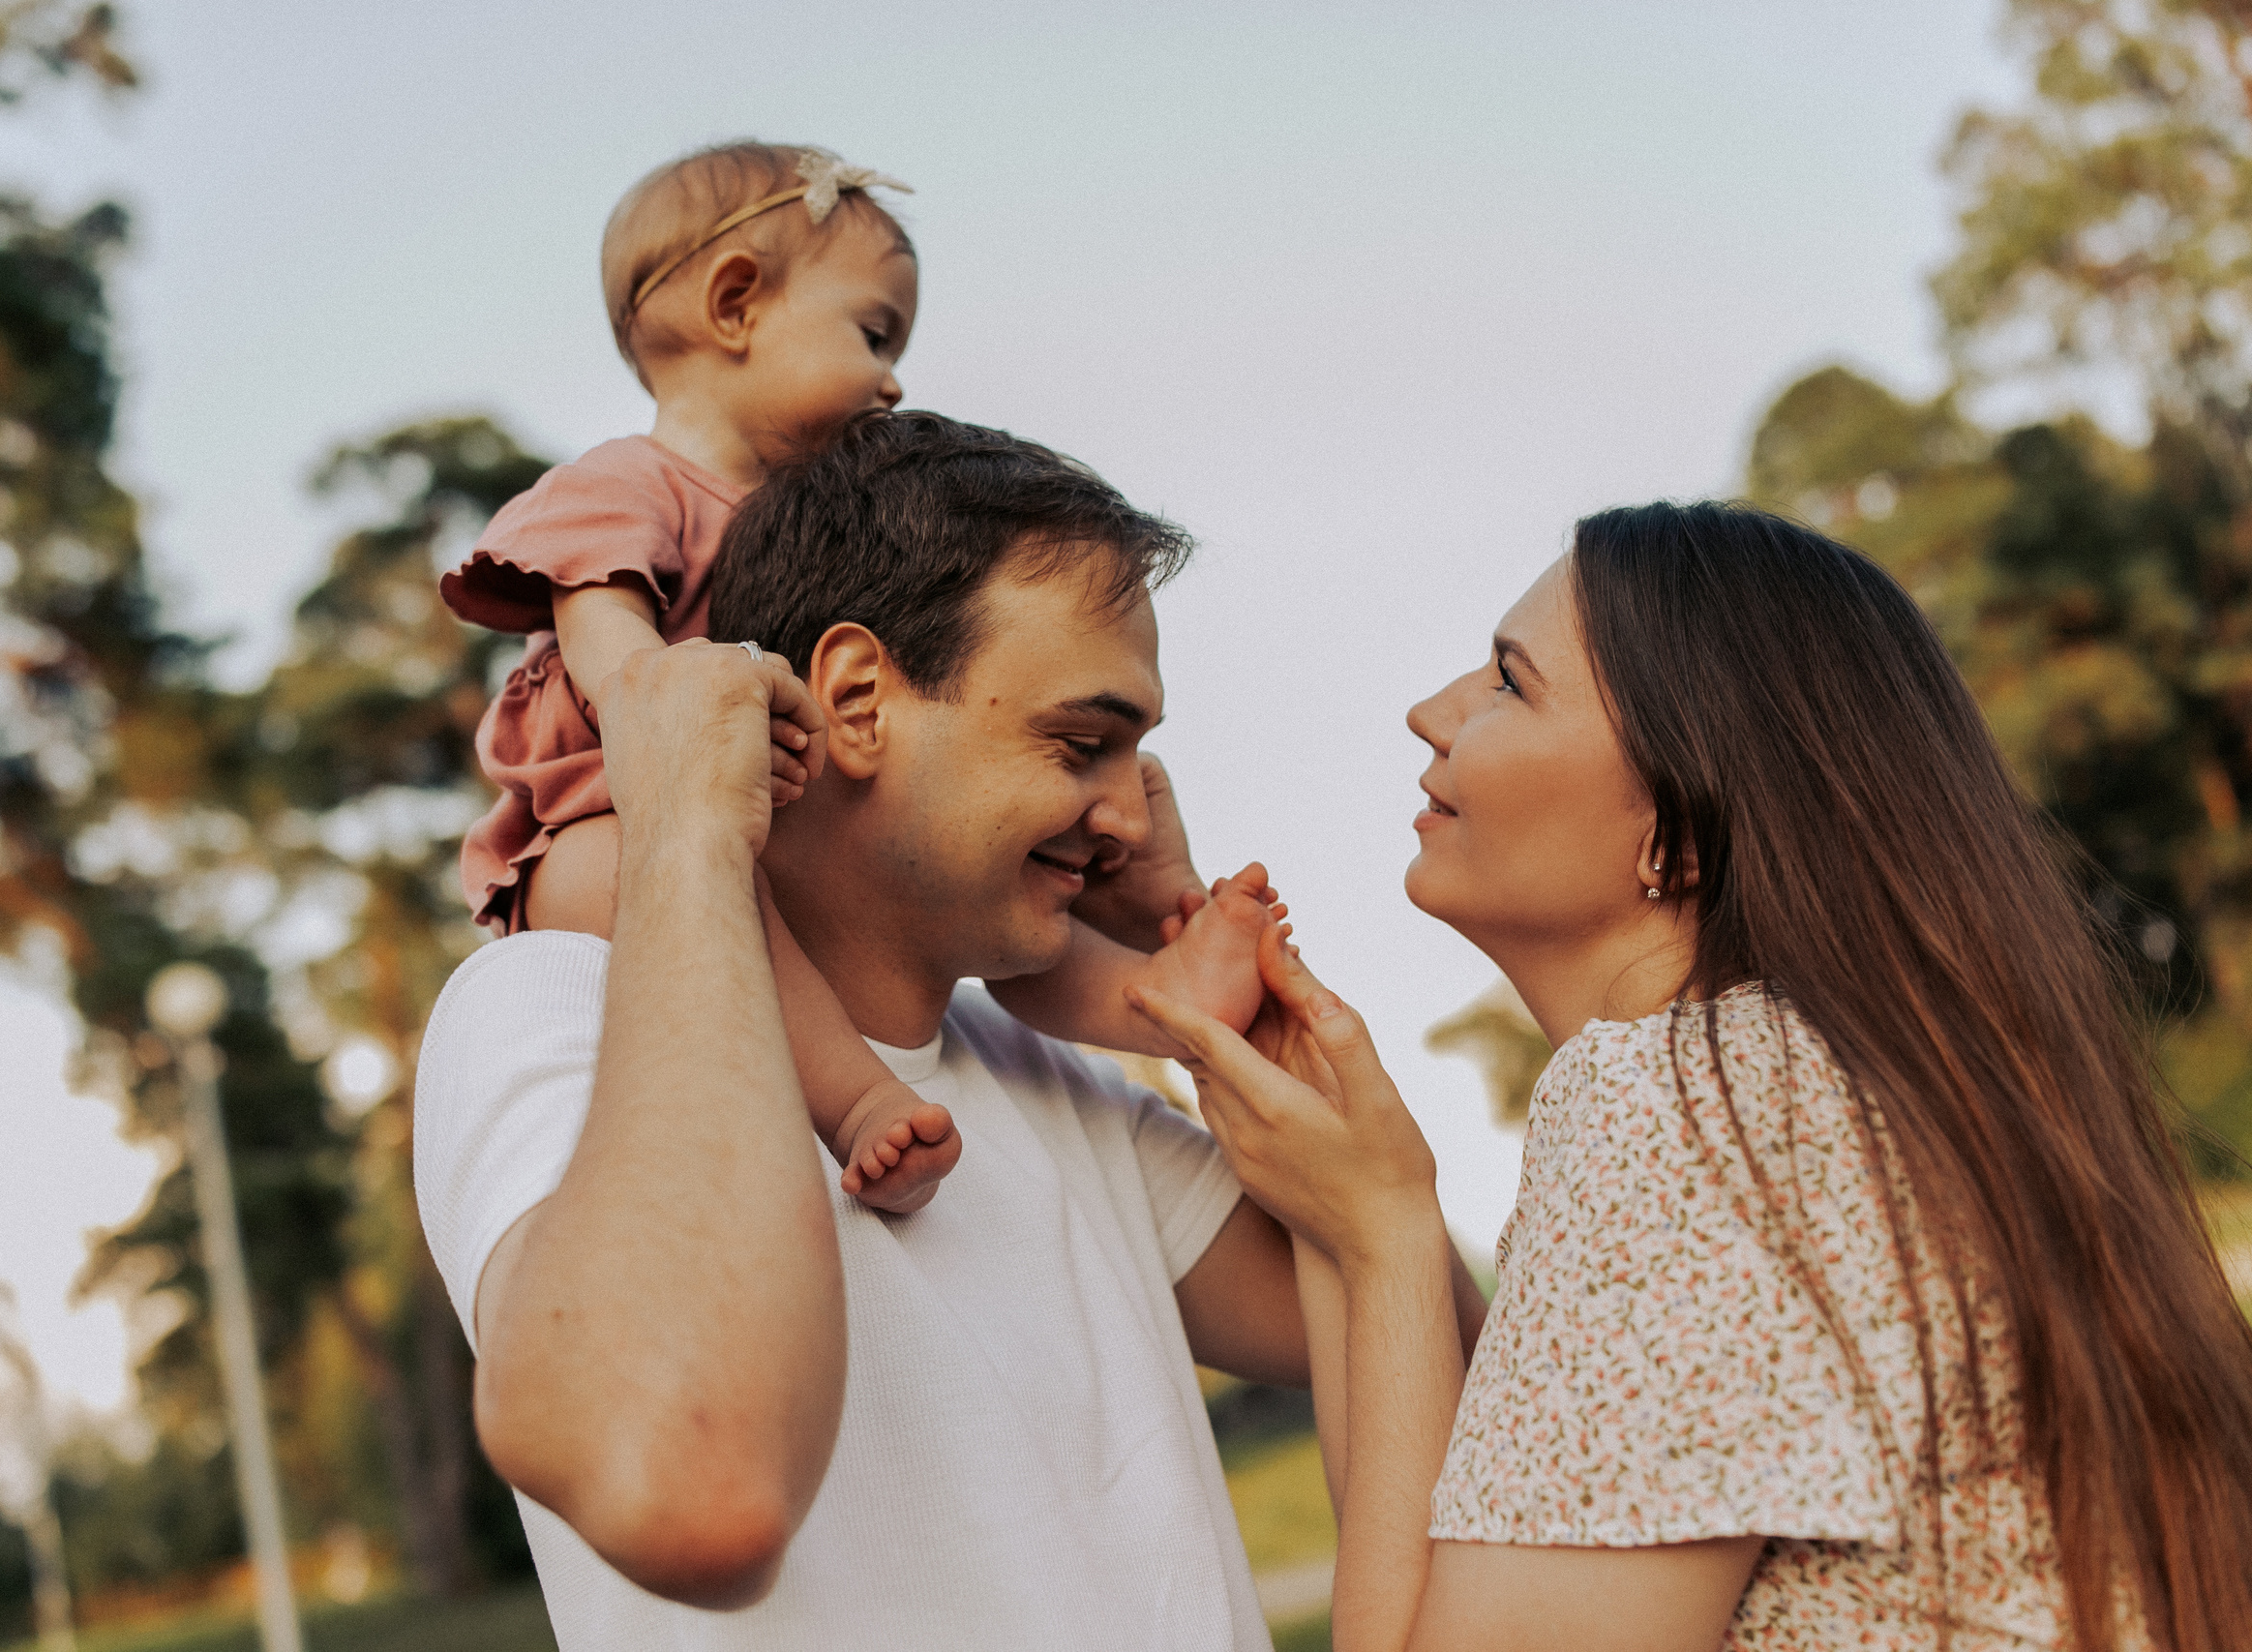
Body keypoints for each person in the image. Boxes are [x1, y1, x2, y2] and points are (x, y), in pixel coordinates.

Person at [1133, 502, 2252, 1651]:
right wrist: (1347, 1210)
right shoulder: (1797, 1088)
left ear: (1680, 830)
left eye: (1510, 684)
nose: (1431, 714)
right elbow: (1470, 1512)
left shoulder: (1691, 1110)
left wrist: (1375, 1232)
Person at [414, 411, 1390, 1649]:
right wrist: (693, 830)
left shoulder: (1047, 1082)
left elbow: (1406, 1308)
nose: (1131, 824)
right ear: (858, 700)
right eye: (1083, 743)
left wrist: (1207, 979)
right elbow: (693, 1488)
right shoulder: (546, 1009)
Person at [440, 141, 1273, 1212]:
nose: (891, 378)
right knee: (724, 893)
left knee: (993, 885)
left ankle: (1156, 999)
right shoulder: (628, 485)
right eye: (872, 333)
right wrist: (674, 712)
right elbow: (616, 657)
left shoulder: (812, 527)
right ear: (736, 303)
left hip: (750, 809)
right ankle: (856, 1102)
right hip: (603, 823)